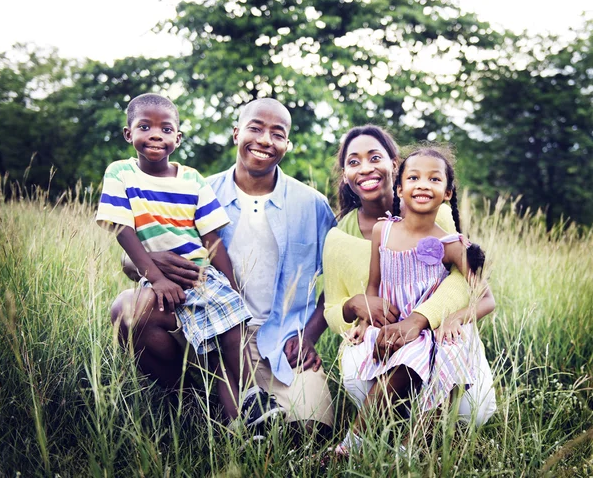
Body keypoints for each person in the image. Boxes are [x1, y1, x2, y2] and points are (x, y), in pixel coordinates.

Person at [113, 97, 336, 438]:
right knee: (128, 309)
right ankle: (191, 395)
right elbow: (137, 255)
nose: (264, 140)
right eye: (255, 128)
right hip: (209, 335)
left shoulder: (313, 205)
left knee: (308, 434)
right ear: (236, 134)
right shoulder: (194, 190)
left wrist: (308, 336)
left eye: (277, 134)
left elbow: (337, 282)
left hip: (280, 343)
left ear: (287, 145)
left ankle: (249, 407)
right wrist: (143, 261)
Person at [97, 93, 283, 428]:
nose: (156, 134)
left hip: (201, 275)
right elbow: (123, 231)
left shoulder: (193, 180)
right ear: (128, 134)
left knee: (228, 334)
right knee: (141, 315)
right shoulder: (121, 173)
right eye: (145, 127)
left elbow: (212, 240)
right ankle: (186, 397)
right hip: (162, 281)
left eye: (166, 129)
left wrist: (232, 285)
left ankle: (244, 411)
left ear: (177, 138)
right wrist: (156, 278)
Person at [322, 127, 497, 452]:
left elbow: (479, 292)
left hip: (430, 328)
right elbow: (355, 296)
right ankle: (352, 445)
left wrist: (451, 318)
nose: (365, 168)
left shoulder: (446, 237)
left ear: (393, 165)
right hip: (387, 329)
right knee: (397, 369)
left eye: (375, 158)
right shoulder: (373, 234)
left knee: (448, 373)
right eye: (354, 161)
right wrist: (358, 311)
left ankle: (412, 446)